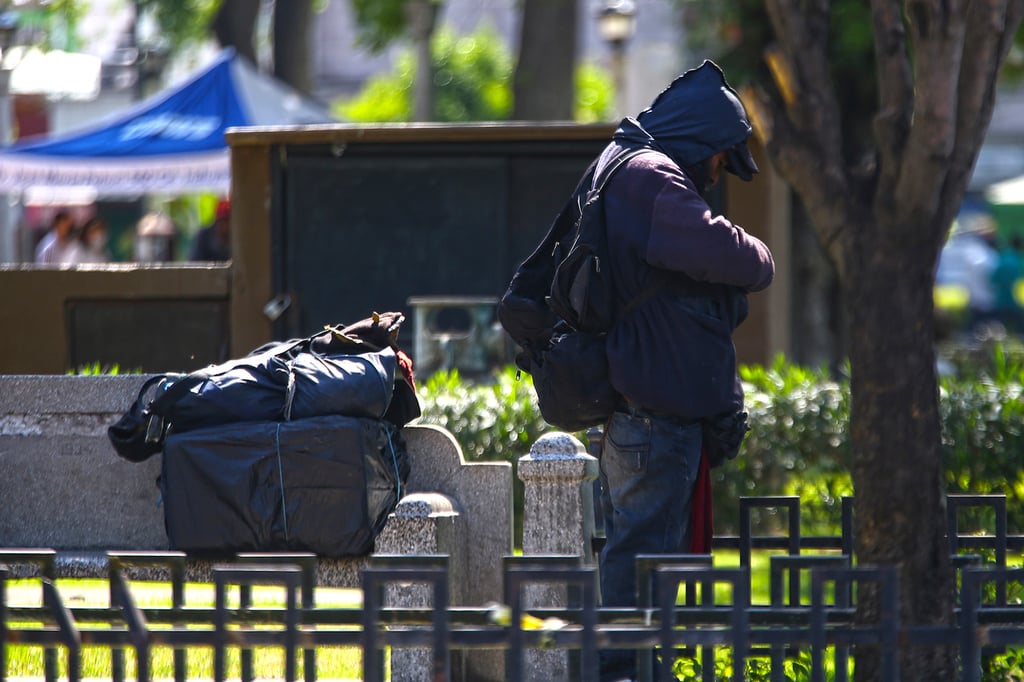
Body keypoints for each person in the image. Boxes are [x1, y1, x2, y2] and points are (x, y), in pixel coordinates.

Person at [593, 61, 775, 682]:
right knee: (643, 570)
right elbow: (736, 257)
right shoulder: (651, 179)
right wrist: (756, 251)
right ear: (702, 144)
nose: (719, 175)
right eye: (722, 160)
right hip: (656, 424)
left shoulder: (628, 170)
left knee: (643, 569)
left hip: (646, 417)